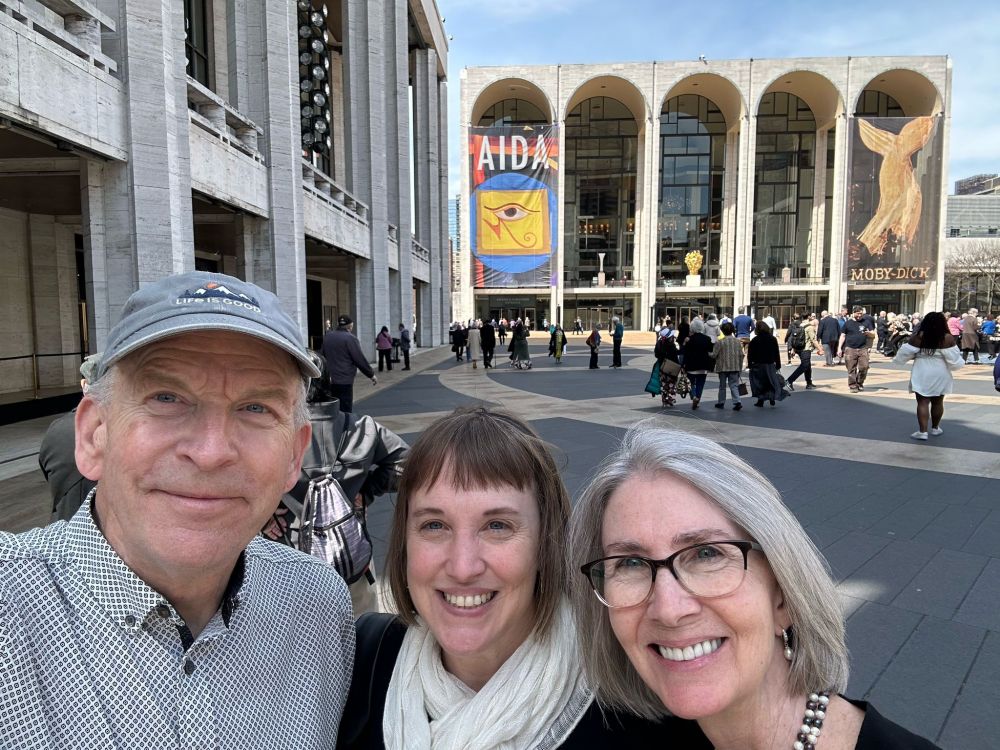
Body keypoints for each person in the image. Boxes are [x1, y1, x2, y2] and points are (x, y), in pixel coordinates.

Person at [1, 271, 354, 747]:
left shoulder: (316, 605)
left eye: (255, 408)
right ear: (93, 435)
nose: (210, 452)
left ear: (295, 454)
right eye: (166, 398)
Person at [567, 424, 941, 750]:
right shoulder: (613, 735)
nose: (669, 608)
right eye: (629, 563)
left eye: (707, 554)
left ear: (782, 594)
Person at [337, 407, 691, 749]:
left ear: (547, 543)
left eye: (497, 526)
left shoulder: (639, 709)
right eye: (434, 525)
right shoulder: (362, 666)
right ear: (405, 544)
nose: (463, 567)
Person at [264, 351, 409, 614]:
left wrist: (264, 513)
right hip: (348, 552)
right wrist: (368, 489)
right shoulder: (363, 428)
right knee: (360, 636)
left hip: (285, 556)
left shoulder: (271, 434)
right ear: (330, 381)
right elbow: (408, 465)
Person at [38, 353, 101, 521]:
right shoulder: (123, 427)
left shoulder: (58, 429)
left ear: (84, 385)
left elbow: (46, 467)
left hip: (64, 522)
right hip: (104, 528)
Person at [893, 311, 964, 441]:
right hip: (940, 370)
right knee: (938, 401)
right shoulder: (947, 338)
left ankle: (922, 431)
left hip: (922, 369)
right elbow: (955, 360)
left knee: (922, 401)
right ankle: (936, 428)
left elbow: (904, 354)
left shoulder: (918, 337)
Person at [322, 314, 378, 412]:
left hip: (330, 380)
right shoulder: (350, 338)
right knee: (345, 409)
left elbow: (322, 357)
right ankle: (345, 427)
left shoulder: (328, 337)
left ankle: (334, 427)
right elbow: (359, 359)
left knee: (332, 409)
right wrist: (371, 374)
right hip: (344, 380)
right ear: (350, 326)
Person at [747, 321, 787, 407]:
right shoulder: (772, 339)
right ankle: (771, 398)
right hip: (770, 364)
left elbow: (750, 353)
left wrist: (750, 364)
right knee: (770, 381)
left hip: (758, 364)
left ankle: (760, 400)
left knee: (760, 383)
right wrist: (778, 363)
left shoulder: (755, 340)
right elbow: (776, 352)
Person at [839, 306, 875, 393]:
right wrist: (839, 348)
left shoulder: (866, 322)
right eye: (858, 313)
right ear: (853, 313)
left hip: (863, 348)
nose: (859, 315)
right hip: (850, 348)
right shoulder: (848, 323)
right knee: (851, 368)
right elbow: (843, 335)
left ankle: (859, 382)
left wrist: (869, 333)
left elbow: (873, 334)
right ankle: (853, 385)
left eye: (861, 314)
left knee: (864, 367)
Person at [680, 317, 714, 409]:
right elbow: (711, 350)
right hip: (704, 365)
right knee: (700, 383)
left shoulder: (689, 339)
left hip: (691, 365)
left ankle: (694, 396)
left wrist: (682, 364)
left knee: (691, 383)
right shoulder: (707, 339)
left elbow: (684, 352)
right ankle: (697, 399)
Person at [710, 321, 744, 410]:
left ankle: (721, 402)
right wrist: (740, 367)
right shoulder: (737, 342)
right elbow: (741, 355)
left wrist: (708, 353)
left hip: (722, 367)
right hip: (734, 366)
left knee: (722, 386)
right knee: (734, 385)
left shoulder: (720, 342)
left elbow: (714, 355)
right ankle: (737, 401)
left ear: (723, 331)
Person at [784, 313, 820, 391]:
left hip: (799, 348)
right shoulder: (809, 327)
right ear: (809, 317)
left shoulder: (799, 325)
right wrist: (820, 349)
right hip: (806, 349)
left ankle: (809, 383)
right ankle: (789, 380)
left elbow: (794, 337)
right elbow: (813, 340)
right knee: (805, 365)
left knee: (807, 365)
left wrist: (793, 349)